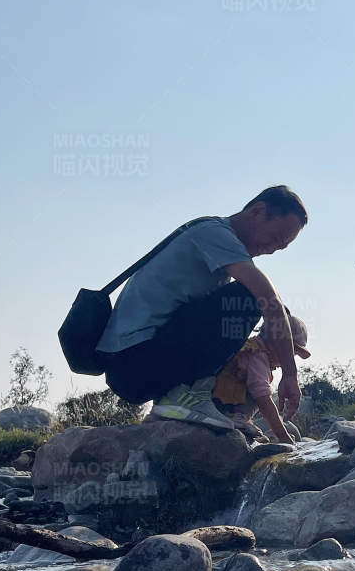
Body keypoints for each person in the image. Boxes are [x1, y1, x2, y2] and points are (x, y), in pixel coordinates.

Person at [96, 185, 306, 431]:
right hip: (133, 363)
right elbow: (270, 301)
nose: (271, 250)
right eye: (274, 238)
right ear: (257, 211)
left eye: (279, 248)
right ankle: (188, 395)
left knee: (242, 304)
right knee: (249, 297)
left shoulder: (215, 244)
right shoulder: (215, 234)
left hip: (140, 365)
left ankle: (187, 400)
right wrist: (290, 374)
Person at [212, 315, 311, 443]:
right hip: (218, 400)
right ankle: (236, 418)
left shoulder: (253, 347)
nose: (288, 360)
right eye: (290, 353)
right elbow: (263, 400)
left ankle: (237, 417)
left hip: (216, 397)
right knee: (261, 393)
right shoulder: (258, 354)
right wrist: (283, 436)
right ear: (276, 342)